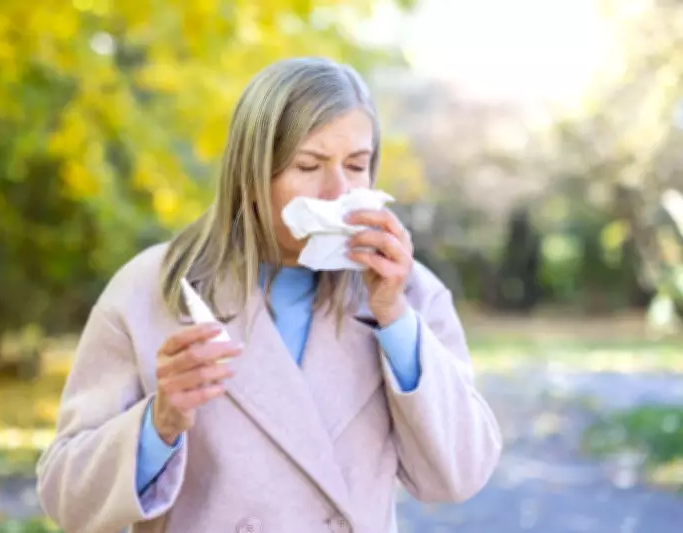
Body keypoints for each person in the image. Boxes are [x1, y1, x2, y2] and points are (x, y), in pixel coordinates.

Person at [35, 57, 502, 533]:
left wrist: (395, 319)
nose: (337, 191)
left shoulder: (408, 292)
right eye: (308, 165)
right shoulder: (152, 288)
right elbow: (64, 496)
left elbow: (459, 476)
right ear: (252, 176)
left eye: (357, 166)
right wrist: (159, 424)